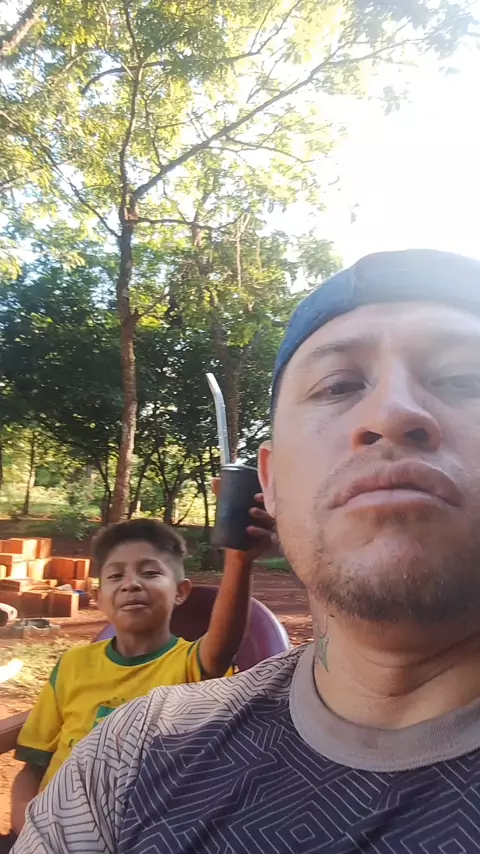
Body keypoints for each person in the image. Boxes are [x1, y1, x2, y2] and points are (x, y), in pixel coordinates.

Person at [13, 247, 480, 854]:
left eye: (464, 379)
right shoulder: (128, 759)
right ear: (271, 483)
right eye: (339, 385)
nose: (392, 413)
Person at [10, 491, 273, 839]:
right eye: (115, 576)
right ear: (99, 598)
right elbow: (32, 767)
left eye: (149, 572)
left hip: (143, 836)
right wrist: (27, 832)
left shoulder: (190, 666)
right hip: (51, 832)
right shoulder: (73, 665)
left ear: (180, 592)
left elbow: (222, 649)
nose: (131, 584)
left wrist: (239, 559)